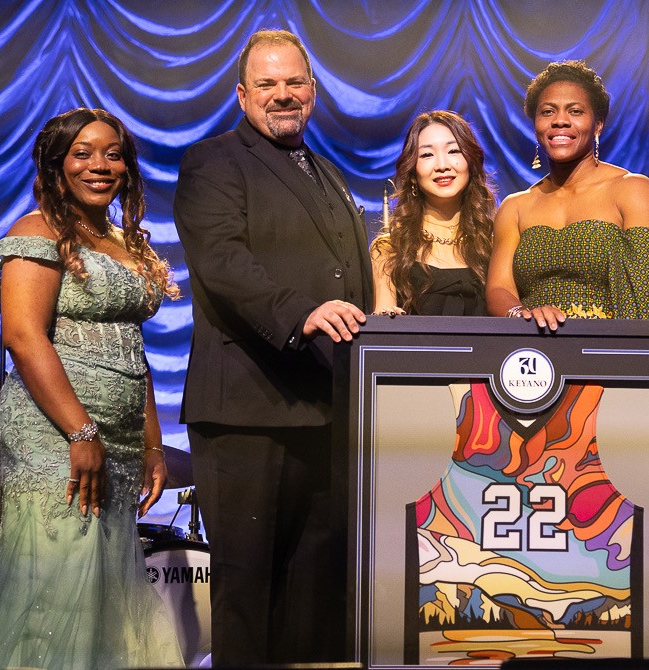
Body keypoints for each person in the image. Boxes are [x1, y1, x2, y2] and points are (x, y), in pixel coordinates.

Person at [0, 108, 183, 669]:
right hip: (56, 433)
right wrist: (79, 430)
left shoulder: (121, 240)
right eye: (82, 154)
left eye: (112, 153)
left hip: (121, 439)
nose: (99, 165)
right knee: (56, 588)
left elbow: (134, 350)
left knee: (103, 589)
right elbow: (24, 338)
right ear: (56, 167)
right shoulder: (37, 231)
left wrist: (152, 443)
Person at [173, 29, 371, 664]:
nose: (283, 95)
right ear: (241, 94)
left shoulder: (330, 172)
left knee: (315, 594)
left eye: (294, 84)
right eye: (267, 84)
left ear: (313, 92)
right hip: (245, 410)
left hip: (325, 409)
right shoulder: (213, 163)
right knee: (248, 591)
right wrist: (303, 314)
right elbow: (223, 262)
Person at [486, 60, 649, 325]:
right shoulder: (515, 207)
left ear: (598, 125)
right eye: (548, 112)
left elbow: (644, 300)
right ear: (535, 125)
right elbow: (498, 289)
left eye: (575, 111)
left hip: (608, 352)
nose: (560, 121)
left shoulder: (633, 190)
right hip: (534, 353)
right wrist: (520, 315)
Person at [371, 110, 495, 316]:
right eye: (427, 154)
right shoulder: (388, 249)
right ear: (412, 174)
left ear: (471, 163)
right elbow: (384, 331)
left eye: (453, 151)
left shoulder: (492, 248)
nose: (442, 165)